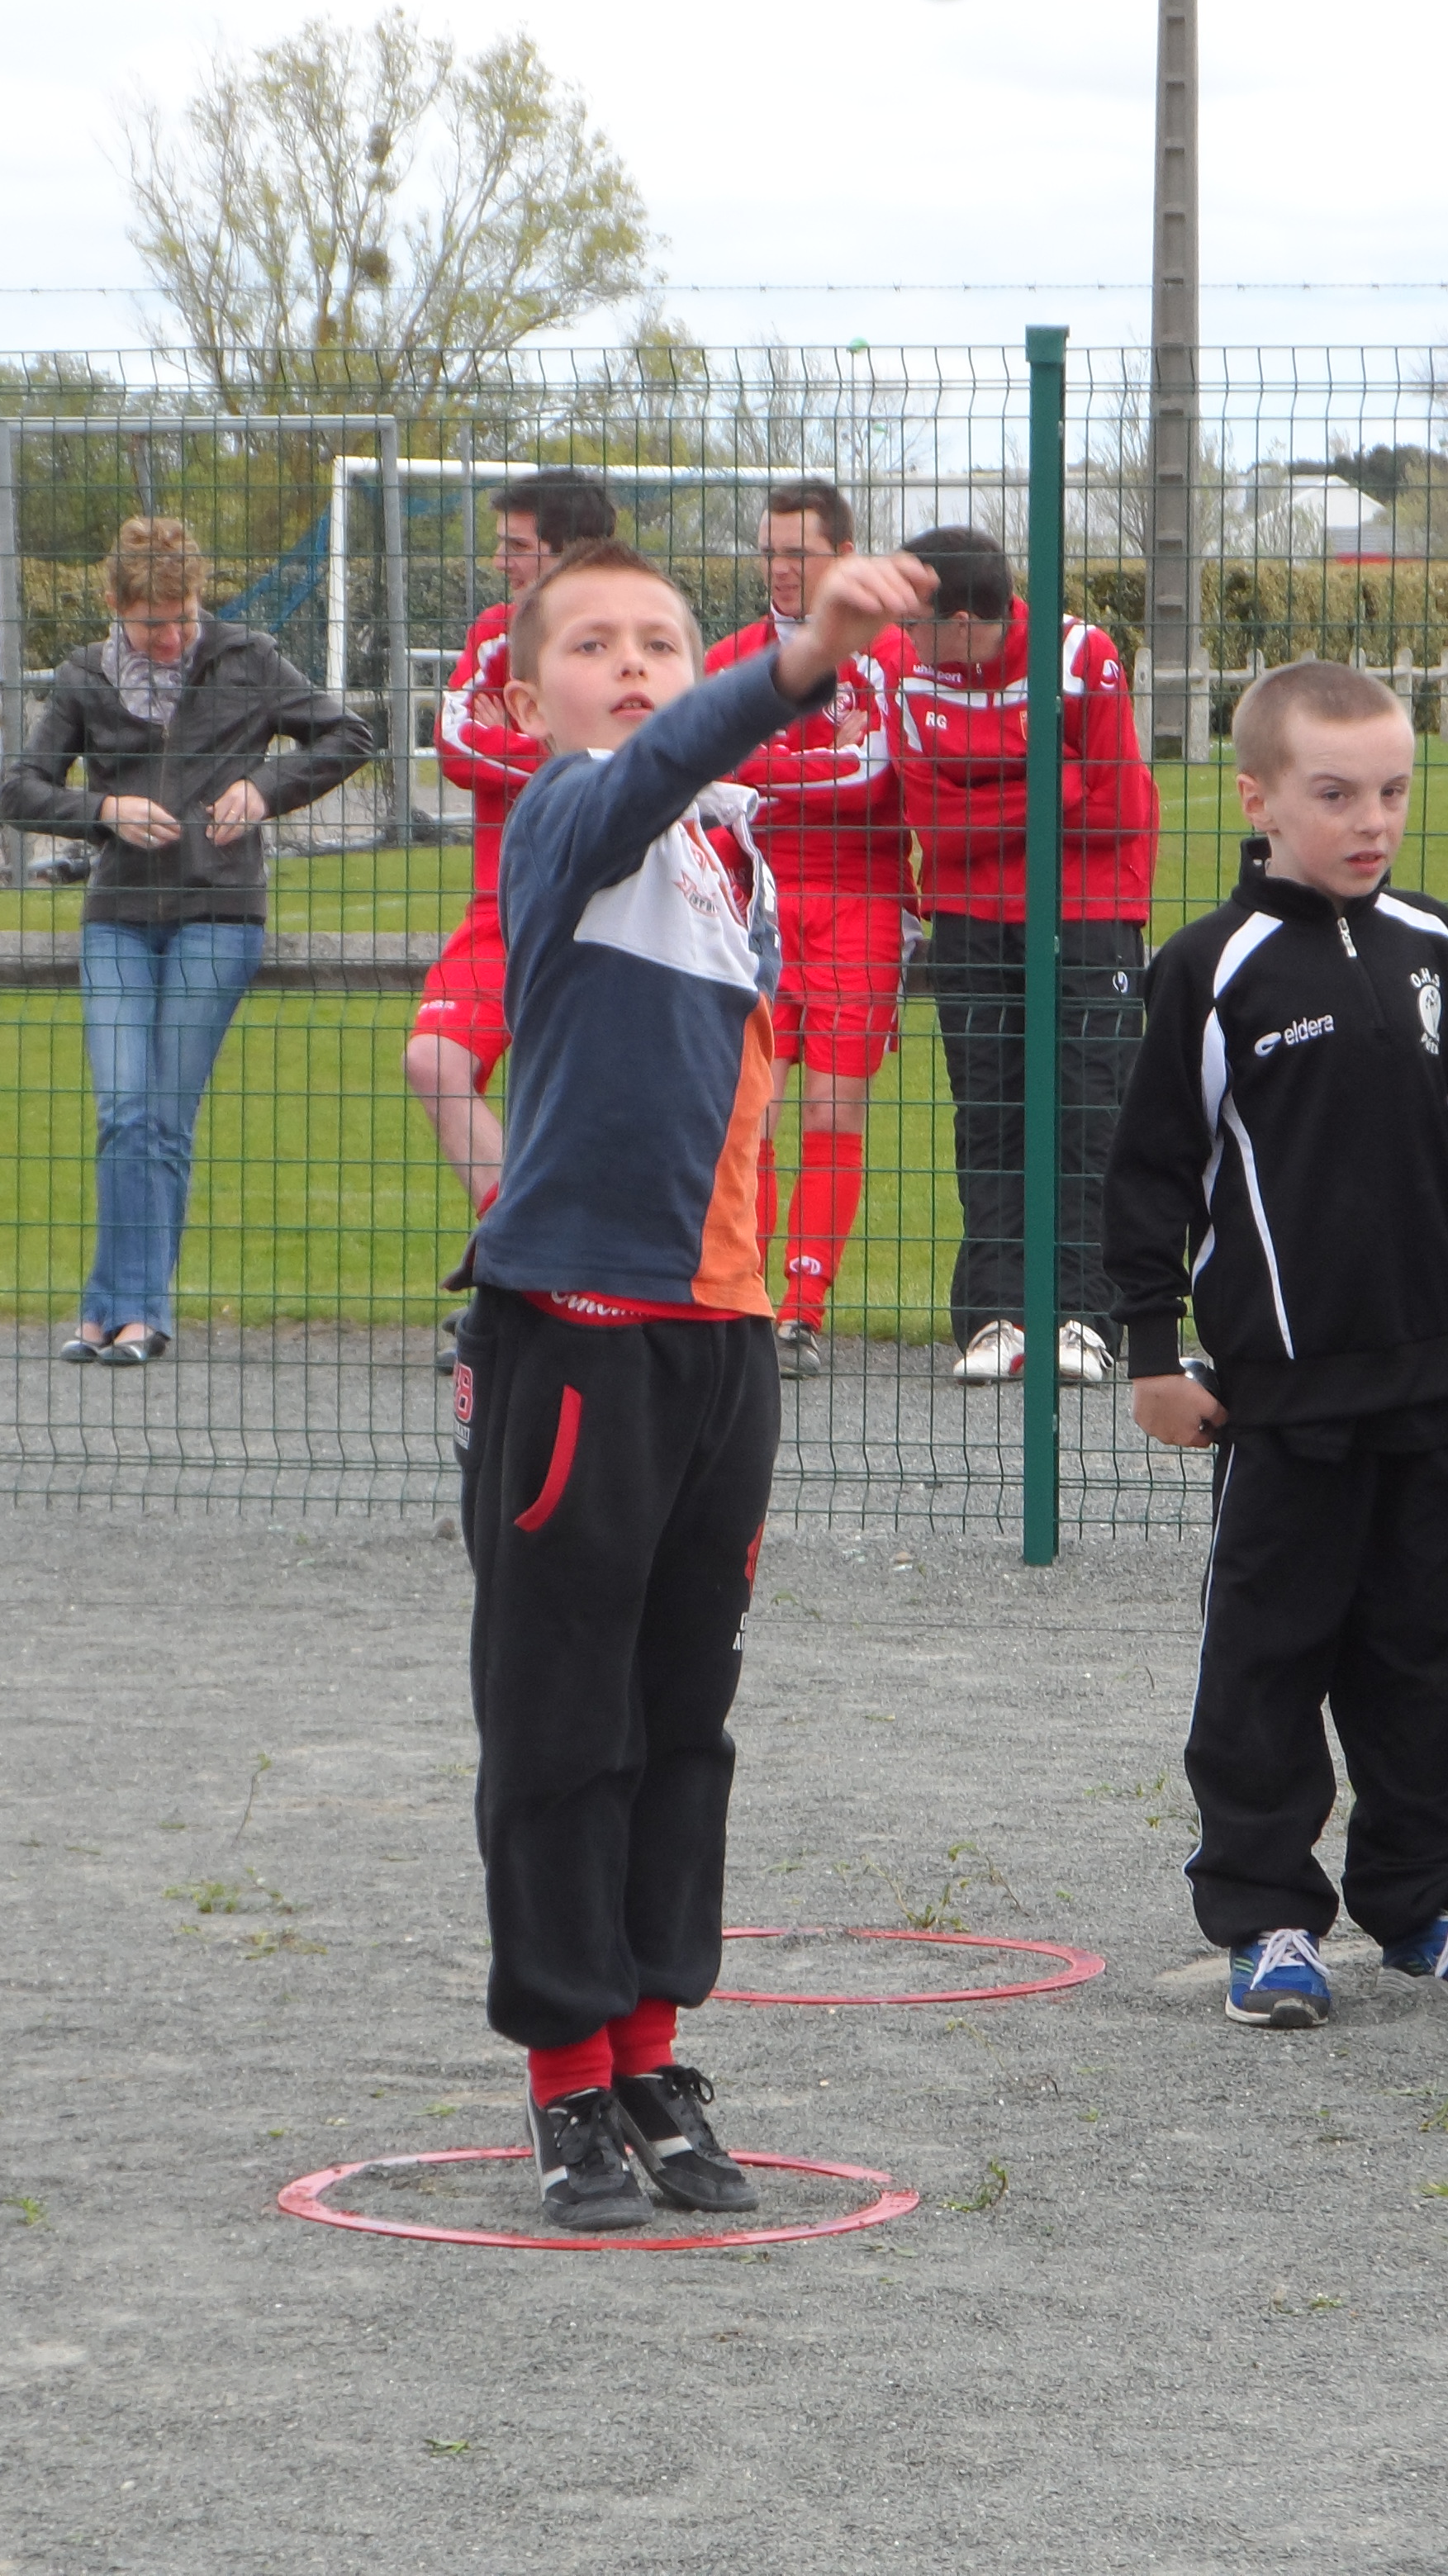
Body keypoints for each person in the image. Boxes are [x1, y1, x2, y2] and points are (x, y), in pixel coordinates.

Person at [450, 533, 938, 2230]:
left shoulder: (730, 854)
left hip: (719, 1344)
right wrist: (801, 661)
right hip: (581, 1335)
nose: (635, 666)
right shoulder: (566, 816)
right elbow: (660, 764)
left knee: (682, 1722)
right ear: (529, 700)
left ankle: (653, 2052)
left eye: (661, 640)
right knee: (561, 1722)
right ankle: (567, 2076)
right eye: (593, 644)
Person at [1103, 661, 1448, 2033]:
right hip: (1284, 1403)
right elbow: (1150, 1174)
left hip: (1432, 1392)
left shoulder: (1436, 952)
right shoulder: (1211, 969)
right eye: (1336, 794)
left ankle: (1429, 1901)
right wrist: (1151, 1353)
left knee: (1435, 1654)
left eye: (1393, 792)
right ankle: (1268, 1918)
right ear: (1259, 800)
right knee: (1266, 1661)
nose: (1372, 821)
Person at [0, 517, 373, 1364]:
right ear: (115, 606)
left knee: (163, 1113)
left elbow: (349, 735)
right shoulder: (85, 675)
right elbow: (18, 789)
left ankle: (128, 1313)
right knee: (123, 1111)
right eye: (150, 623)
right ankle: (121, 1310)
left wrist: (265, 789)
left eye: (183, 616)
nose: (170, 638)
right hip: (118, 915)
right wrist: (103, 810)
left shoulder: (249, 658)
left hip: (220, 913)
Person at [889, 524, 1157, 1384]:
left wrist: (989, 802)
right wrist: (1054, 783)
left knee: (1089, 1113)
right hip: (969, 915)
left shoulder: (1082, 656)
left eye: (915, 622)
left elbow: (1118, 810)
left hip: (1090, 910)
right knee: (990, 1115)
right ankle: (995, 1319)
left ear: (964, 623)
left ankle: (1085, 1318)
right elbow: (933, 822)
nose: (901, 637)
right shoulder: (905, 669)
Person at [405, 470, 621, 1378]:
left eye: (516, 546)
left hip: (601, 906)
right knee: (434, 1061)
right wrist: (550, 746)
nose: (499, 560)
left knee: (586, 1103)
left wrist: (534, 743)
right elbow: (455, 750)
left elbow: (618, 763)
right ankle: (531, 1264)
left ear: (568, 553)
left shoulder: (621, 634)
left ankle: (592, 1290)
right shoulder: (494, 632)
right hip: (500, 904)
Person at [702, 477, 917, 1375]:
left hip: (862, 901)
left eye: (799, 553)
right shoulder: (732, 656)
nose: (780, 569)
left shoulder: (890, 649)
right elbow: (707, 773)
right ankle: (743, 1297)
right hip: (755, 900)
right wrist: (810, 765)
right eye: (769, 552)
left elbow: (874, 780)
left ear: (844, 555)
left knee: (833, 1105)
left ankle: (802, 1309)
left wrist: (763, 772)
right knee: (748, 1107)